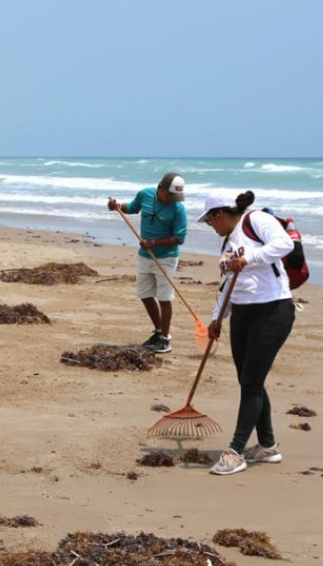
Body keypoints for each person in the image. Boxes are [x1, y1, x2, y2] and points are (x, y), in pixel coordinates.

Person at [198, 191, 296, 476]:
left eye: (210, 221)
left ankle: (235, 451)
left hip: (273, 310)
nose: (211, 227)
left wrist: (250, 258)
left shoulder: (257, 220)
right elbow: (229, 285)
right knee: (248, 380)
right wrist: (217, 318)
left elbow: (284, 244)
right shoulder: (227, 244)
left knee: (251, 383)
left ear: (220, 213)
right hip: (242, 313)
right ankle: (267, 445)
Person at [106, 172, 187, 353]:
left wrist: (154, 243)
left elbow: (179, 238)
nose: (174, 200)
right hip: (145, 256)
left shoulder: (178, 209)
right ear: (161, 189)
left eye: (177, 196)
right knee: (144, 294)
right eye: (171, 195)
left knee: (165, 297)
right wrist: (116, 206)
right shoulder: (145, 194)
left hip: (166, 258)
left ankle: (165, 339)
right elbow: (132, 208)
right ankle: (158, 332)